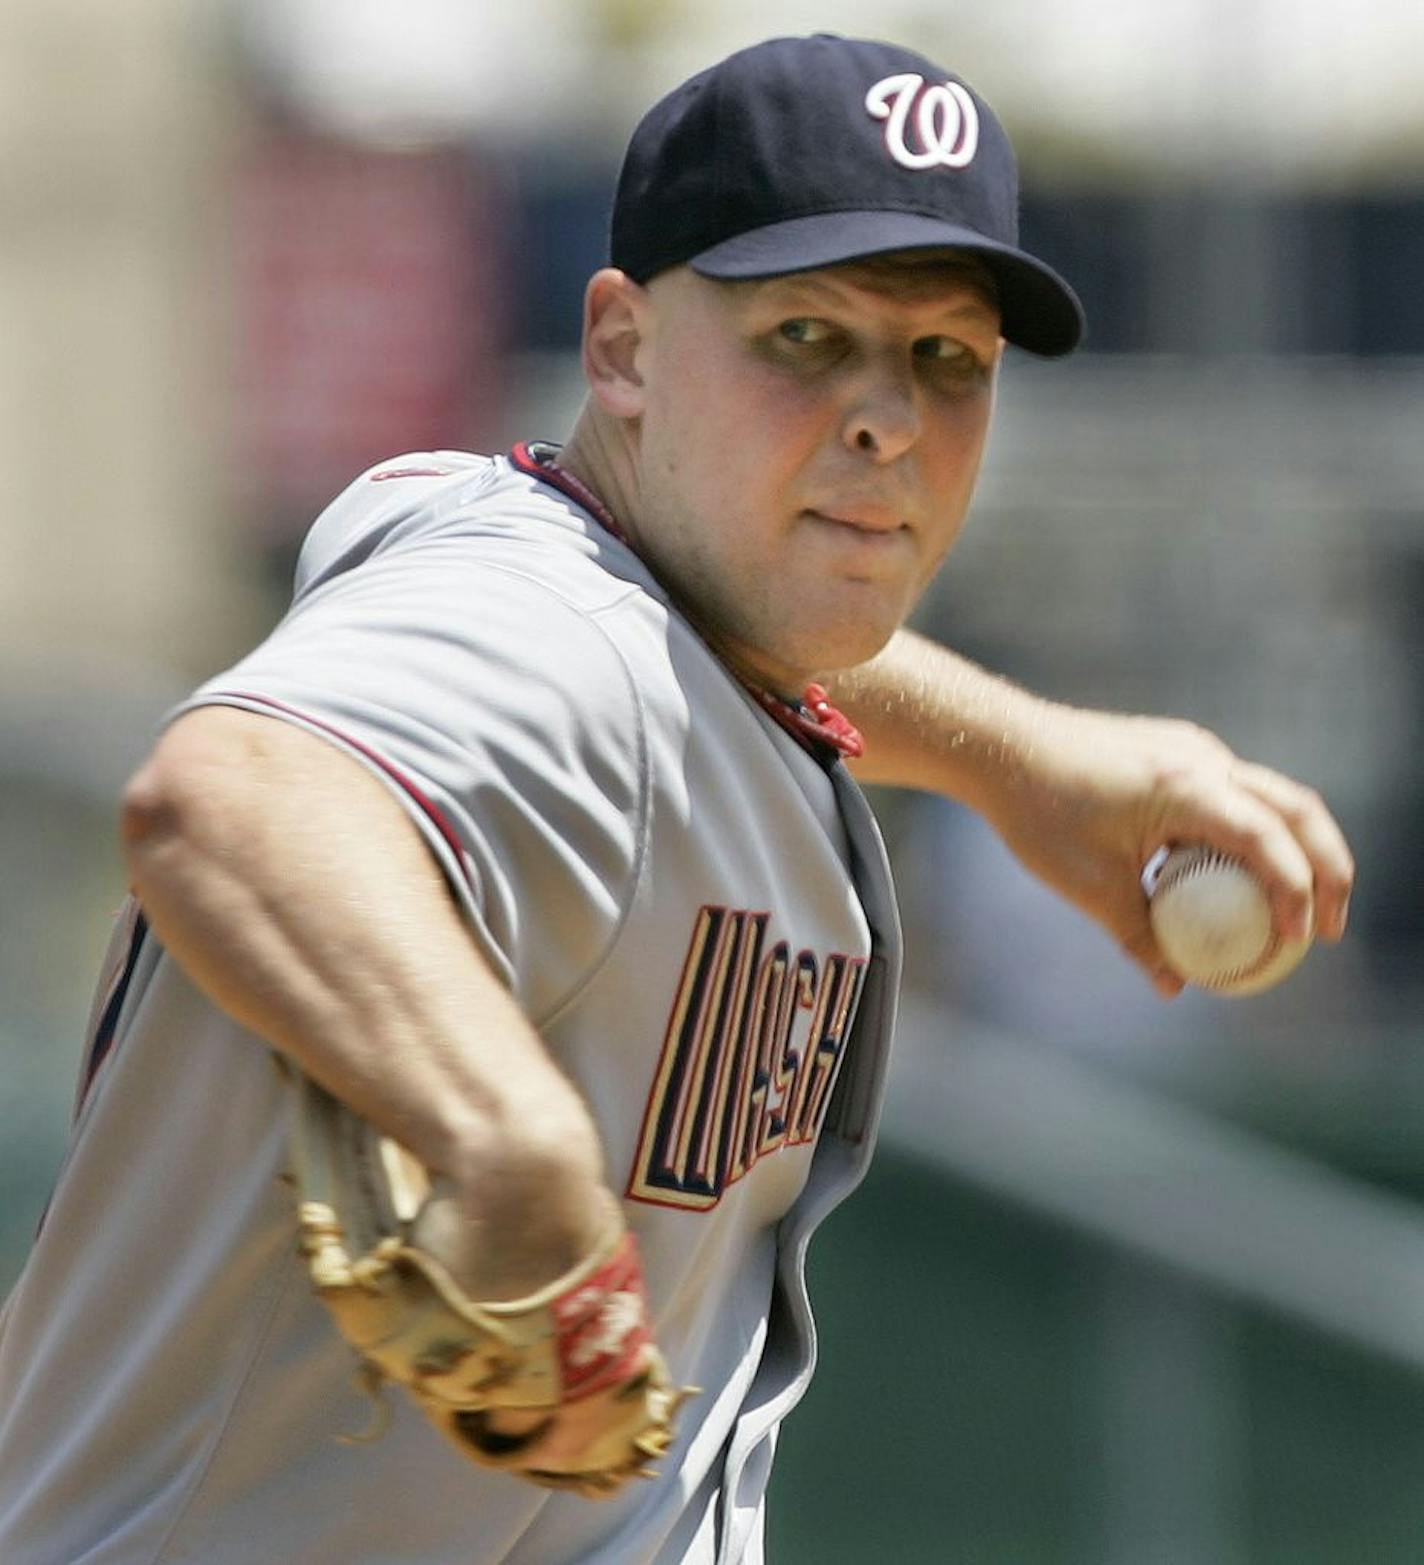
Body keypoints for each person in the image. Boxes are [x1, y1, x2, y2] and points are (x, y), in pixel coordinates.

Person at [0, 32, 1352, 1565]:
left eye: (946, 359)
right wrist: (501, 1135)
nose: (886, 416)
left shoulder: (593, 579)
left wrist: (1021, 757)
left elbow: (716, 639)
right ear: (625, 348)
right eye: (803, 335)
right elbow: (229, 791)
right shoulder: (550, 636)